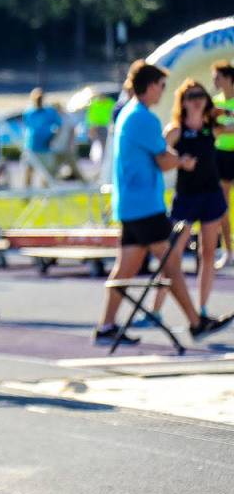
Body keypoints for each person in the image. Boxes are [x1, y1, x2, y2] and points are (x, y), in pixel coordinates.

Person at [93, 61, 231, 345]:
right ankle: (196, 322)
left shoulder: (128, 114)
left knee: (126, 268)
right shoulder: (144, 118)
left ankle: (105, 327)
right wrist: (182, 160)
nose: (162, 92)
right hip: (145, 204)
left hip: (131, 203)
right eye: (161, 86)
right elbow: (164, 159)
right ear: (151, 85)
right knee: (171, 264)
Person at [138, 79, 232, 325]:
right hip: (187, 198)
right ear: (183, 102)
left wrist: (225, 111)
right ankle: (155, 310)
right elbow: (158, 153)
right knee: (173, 254)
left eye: (201, 95)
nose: (197, 99)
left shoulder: (213, 127)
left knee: (208, 252)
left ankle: (202, 309)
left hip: (211, 195)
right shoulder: (176, 130)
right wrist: (179, 161)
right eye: (191, 96)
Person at [211, 60, 234, 268]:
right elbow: (214, 130)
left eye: (217, 77)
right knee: (222, 206)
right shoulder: (215, 103)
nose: (214, 81)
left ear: (228, 78)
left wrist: (224, 128)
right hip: (222, 156)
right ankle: (228, 251)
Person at [22, 87, 62, 188]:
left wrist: (52, 137)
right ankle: (26, 197)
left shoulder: (50, 112)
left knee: (47, 174)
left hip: (45, 148)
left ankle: (44, 197)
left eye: (40, 98)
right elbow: (27, 127)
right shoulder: (28, 112)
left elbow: (59, 126)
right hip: (31, 147)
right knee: (28, 173)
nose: (38, 100)